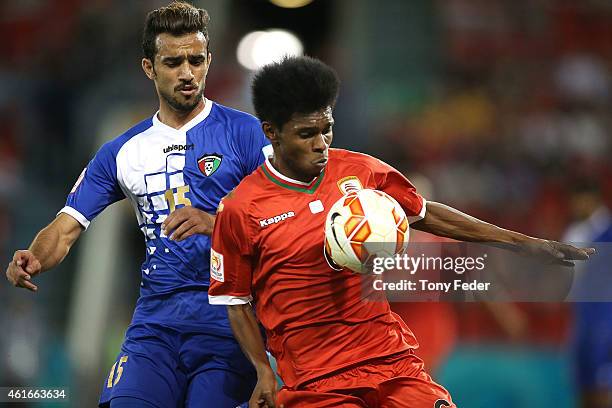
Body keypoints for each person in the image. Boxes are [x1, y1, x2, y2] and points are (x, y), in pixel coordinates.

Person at [207, 56, 595, 408]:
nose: (322, 144)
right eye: (307, 134)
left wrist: (522, 243)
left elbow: (425, 214)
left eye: (327, 130)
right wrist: (261, 369)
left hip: (391, 362)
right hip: (315, 381)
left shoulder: (362, 172)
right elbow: (235, 301)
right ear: (271, 132)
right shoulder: (241, 209)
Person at [5, 2, 271, 408]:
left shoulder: (246, 134)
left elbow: (287, 213)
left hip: (226, 323)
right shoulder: (122, 151)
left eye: (196, 60)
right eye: (173, 62)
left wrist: (218, 220)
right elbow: (66, 227)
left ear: (209, 62)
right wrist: (35, 257)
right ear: (149, 67)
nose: (187, 73)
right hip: (155, 327)